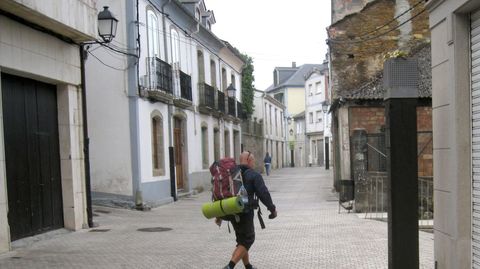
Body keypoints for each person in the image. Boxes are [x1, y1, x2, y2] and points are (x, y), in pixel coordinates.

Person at [217, 151, 277, 269]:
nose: (254, 163)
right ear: (249, 160)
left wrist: (219, 215)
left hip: (232, 211)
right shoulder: (254, 175)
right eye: (253, 160)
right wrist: (272, 209)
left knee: (241, 239)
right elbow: (263, 193)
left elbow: (223, 193)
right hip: (245, 212)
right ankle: (230, 266)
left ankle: (248, 266)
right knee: (248, 239)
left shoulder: (232, 173)